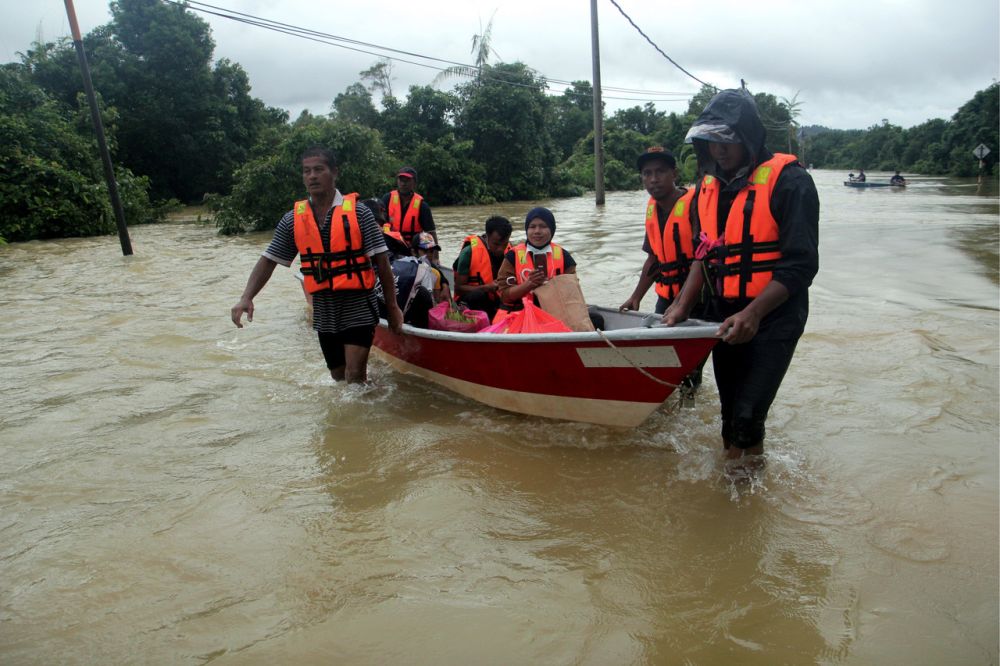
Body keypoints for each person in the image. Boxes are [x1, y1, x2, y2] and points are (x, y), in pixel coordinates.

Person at [663, 89, 819, 462]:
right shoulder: (706, 189)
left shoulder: (792, 183)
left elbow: (801, 265)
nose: (718, 151)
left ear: (749, 135)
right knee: (730, 413)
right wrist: (681, 306)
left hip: (776, 315)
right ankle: (733, 480)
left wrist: (754, 313)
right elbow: (703, 253)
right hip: (724, 311)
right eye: (711, 142)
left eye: (727, 141)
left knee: (749, 416)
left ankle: (746, 495)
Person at [231, 146, 403, 383]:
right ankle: (372, 391)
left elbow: (382, 263)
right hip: (324, 309)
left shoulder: (360, 214)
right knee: (338, 376)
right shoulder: (293, 219)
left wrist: (393, 309)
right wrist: (246, 297)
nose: (312, 176)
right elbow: (269, 259)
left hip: (358, 305)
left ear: (334, 173)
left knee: (354, 377)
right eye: (306, 171)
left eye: (318, 170)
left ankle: (360, 415)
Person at [619, 146, 695, 315]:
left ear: (674, 174)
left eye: (660, 172)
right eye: (647, 173)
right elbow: (653, 259)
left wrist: (681, 303)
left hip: (698, 297)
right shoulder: (653, 210)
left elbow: (703, 261)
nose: (653, 179)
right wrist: (636, 296)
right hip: (667, 297)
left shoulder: (694, 205)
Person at [495, 207, 577, 323]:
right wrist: (528, 284)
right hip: (520, 313)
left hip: (554, 313)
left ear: (552, 229)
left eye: (543, 226)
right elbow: (504, 295)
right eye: (532, 227)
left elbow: (572, 295)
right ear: (527, 230)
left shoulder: (564, 256)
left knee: (597, 320)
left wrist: (552, 287)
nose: (537, 231)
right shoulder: (512, 256)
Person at [453, 215, 513, 321]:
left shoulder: (511, 251)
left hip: (497, 299)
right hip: (471, 300)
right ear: (487, 236)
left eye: (504, 244)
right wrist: (486, 288)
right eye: (496, 244)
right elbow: (458, 289)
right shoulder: (468, 252)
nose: (500, 249)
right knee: (478, 296)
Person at [381, 166, 437, 247]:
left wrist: (435, 257)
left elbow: (431, 232)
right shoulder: (387, 199)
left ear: (414, 183)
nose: (403, 183)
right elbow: (377, 222)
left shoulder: (422, 206)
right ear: (397, 181)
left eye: (407, 180)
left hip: (412, 247)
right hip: (391, 244)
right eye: (401, 180)